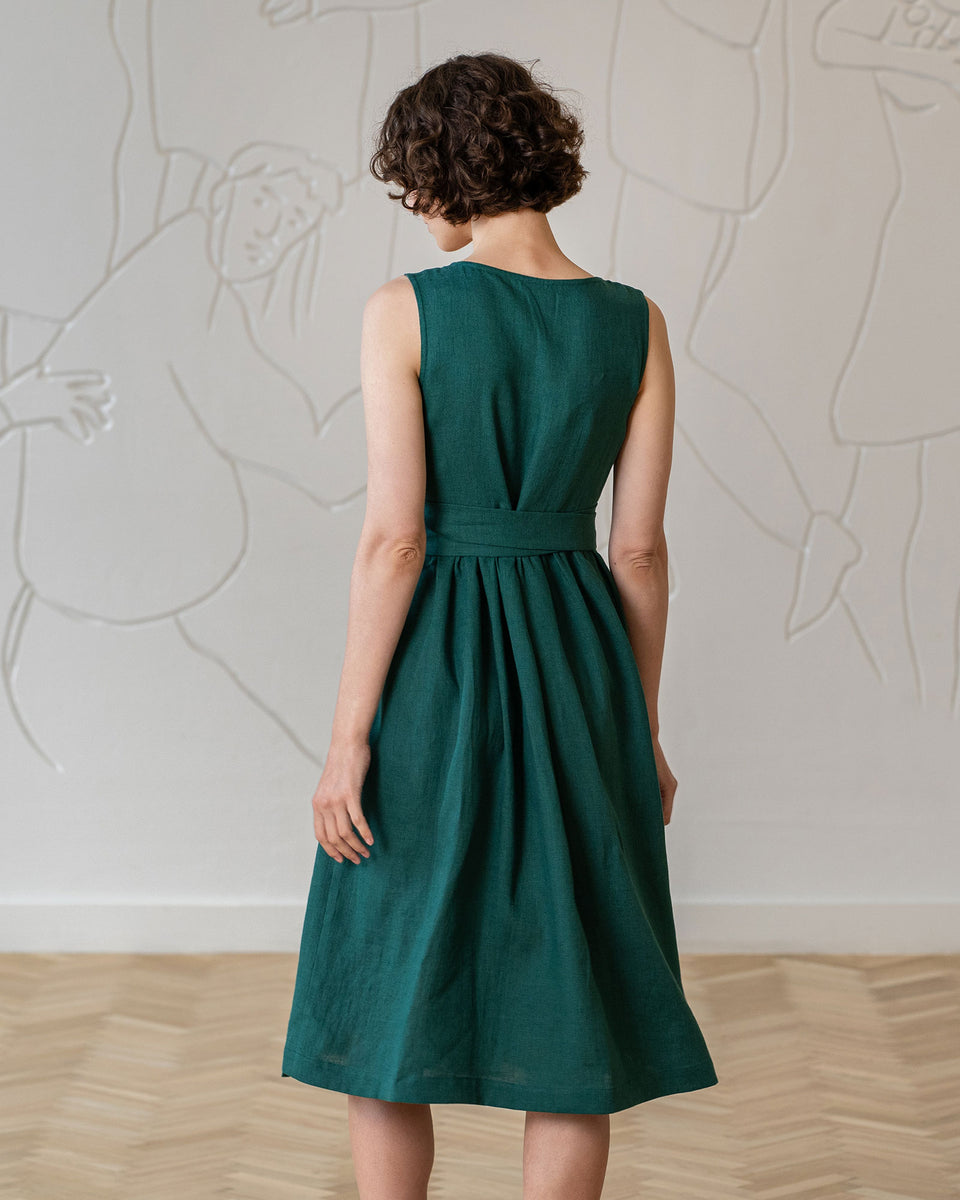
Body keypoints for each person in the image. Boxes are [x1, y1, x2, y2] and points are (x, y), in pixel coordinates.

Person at [281, 50, 718, 1200]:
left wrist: (347, 739)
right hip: (580, 665)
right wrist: (640, 728)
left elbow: (396, 541)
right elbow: (638, 551)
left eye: (409, 181)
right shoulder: (634, 322)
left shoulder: (406, 310)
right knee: (573, 1006)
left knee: (386, 988)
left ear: (441, 171)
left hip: (436, 664)